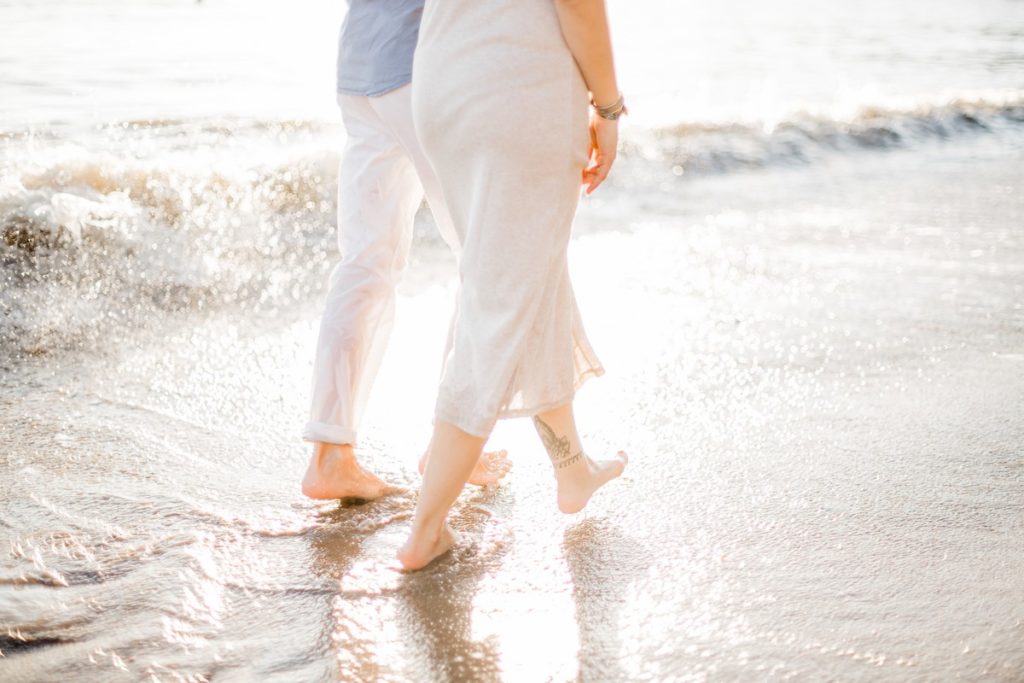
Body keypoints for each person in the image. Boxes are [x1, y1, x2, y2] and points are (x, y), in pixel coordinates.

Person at [397, 0, 629, 570]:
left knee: (523, 273)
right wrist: (609, 107)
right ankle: (425, 530)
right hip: (518, 91)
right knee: (502, 299)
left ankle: (572, 467)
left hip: (442, 86)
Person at [301, 0, 511, 501]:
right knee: (483, 254)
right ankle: (454, 440)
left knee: (364, 263)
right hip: (420, 71)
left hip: (359, 66)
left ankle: (330, 455)